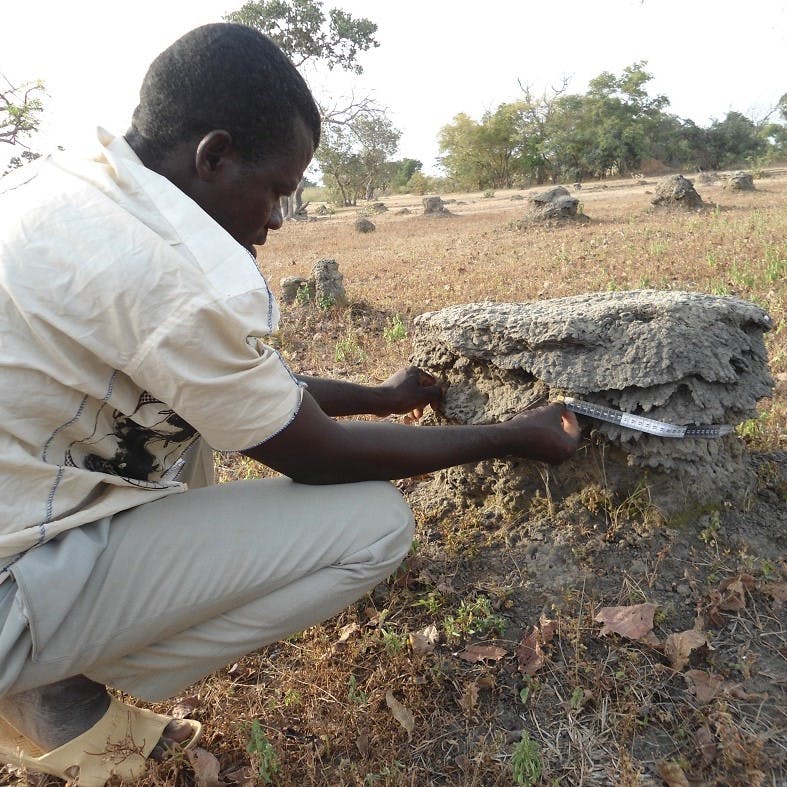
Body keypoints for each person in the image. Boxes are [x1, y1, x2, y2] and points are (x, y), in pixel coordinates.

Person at [0, 23, 580, 786]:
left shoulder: (71, 190)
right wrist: (512, 435)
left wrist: (380, 397)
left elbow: (232, 387)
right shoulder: (171, 270)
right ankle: (47, 671)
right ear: (214, 156)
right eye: (277, 190)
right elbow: (317, 453)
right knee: (373, 526)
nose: (278, 219)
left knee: (187, 431)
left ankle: (49, 660)